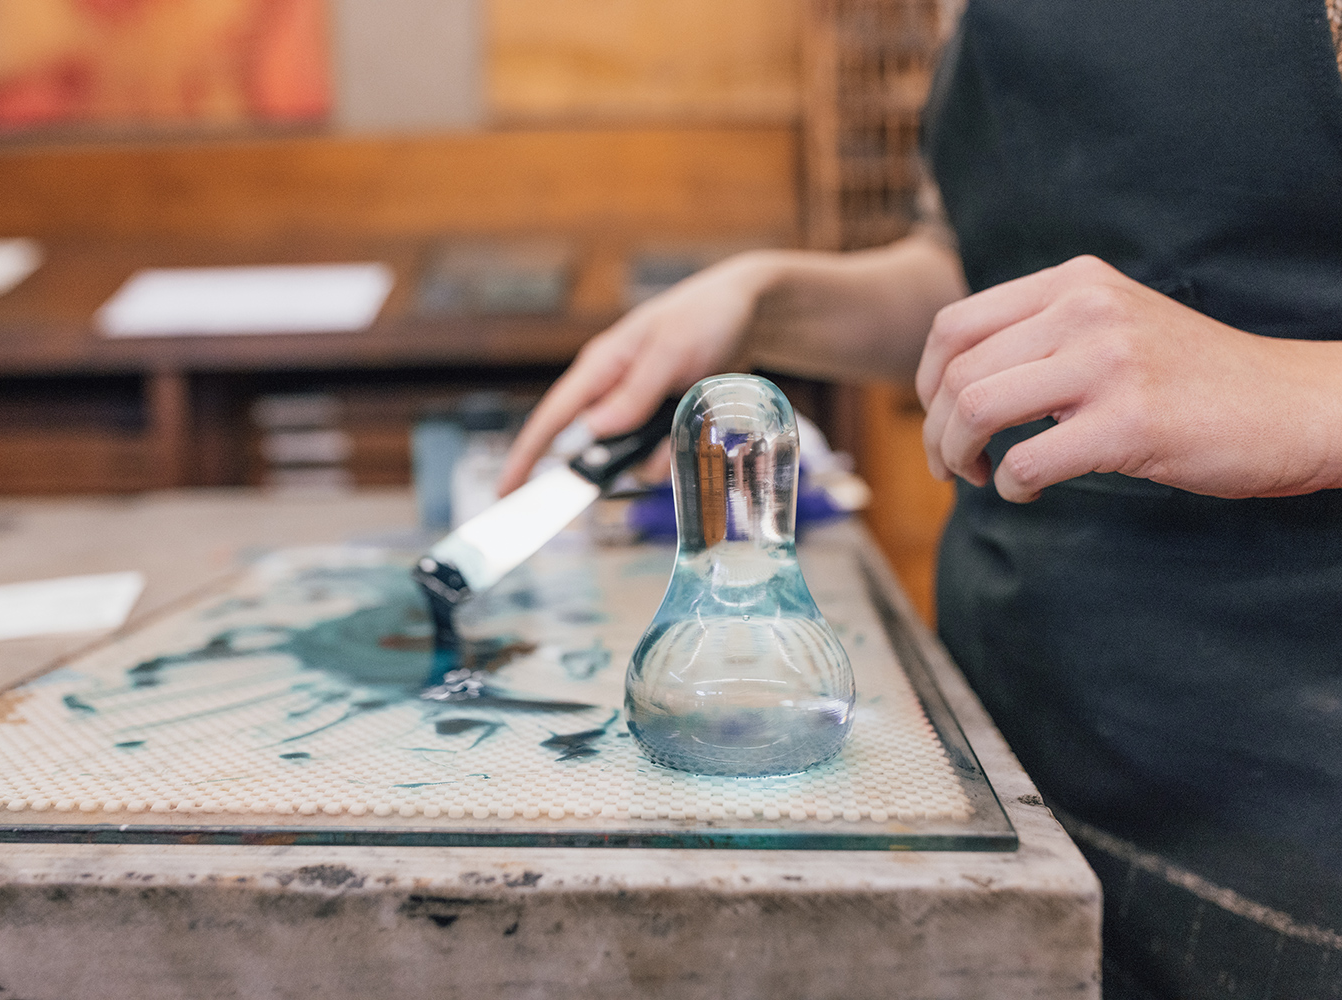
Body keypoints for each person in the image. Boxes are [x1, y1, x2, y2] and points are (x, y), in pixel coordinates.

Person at [498, 2, 1342, 997]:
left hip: (1289, 783)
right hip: (1022, 728)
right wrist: (765, 298)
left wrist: (1303, 393)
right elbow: (980, 269)